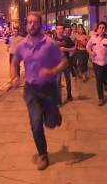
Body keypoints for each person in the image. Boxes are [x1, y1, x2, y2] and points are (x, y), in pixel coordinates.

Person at [11, 11, 68, 170]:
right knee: (36, 123)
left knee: (50, 123)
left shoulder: (50, 44)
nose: (31, 25)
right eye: (29, 22)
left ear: (40, 24)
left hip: (49, 89)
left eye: (35, 22)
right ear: (26, 24)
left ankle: (54, 115)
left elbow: (64, 62)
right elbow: (15, 62)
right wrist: (14, 77)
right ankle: (43, 155)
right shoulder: (22, 45)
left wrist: (52, 71)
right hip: (31, 90)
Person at [86, 21, 107, 106]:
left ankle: (106, 84)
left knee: (106, 78)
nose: (102, 29)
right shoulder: (93, 38)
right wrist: (91, 53)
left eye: (103, 28)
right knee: (98, 80)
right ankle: (101, 98)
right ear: (97, 29)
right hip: (96, 62)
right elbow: (87, 47)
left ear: (105, 29)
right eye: (100, 28)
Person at [54, 24, 75, 104]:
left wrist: (65, 49)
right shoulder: (52, 40)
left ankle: (69, 95)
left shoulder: (67, 39)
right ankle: (58, 100)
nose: (59, 30)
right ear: (56, 30)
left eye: (61, 29)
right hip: (57, 64)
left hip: (66, 63)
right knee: (57, 82)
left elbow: (73, 49)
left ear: (63, 30)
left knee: (68, 80)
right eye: (58, 29)